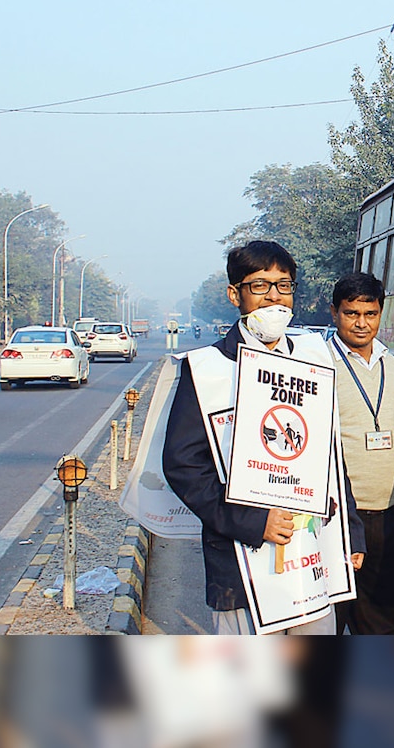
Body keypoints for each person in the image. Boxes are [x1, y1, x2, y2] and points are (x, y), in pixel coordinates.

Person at [162, 240, 365, 635]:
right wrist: (252, 522)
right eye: (259, 285)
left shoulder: (313, 358)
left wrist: (350, 529)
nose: (274, 297)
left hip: (313, 557)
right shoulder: (207, 371)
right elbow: (183, 466)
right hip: (242, 566)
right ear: (234, 294)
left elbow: (329, 455)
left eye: (283, 285)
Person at [327, 271, 394, 635]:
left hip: (388, 516)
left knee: (382, 625)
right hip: (337, 518)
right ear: (334, 313)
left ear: (380, 313)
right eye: (351, 313)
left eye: (370, 314)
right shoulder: (319, 365)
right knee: (328, 623)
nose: (361, 323)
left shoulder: (392, 365)